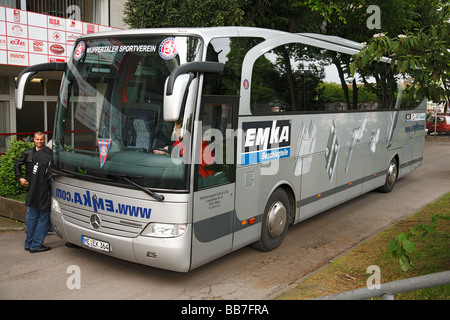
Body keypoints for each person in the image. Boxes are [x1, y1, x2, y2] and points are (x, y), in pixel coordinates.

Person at [14, 131, 53, 253]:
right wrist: (20, 177)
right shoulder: (31, 153)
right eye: (37, 139)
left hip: (36, 190)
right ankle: (34, 244)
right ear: (34, 140)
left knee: (33, 217)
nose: (39, 141)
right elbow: (17, 164)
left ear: (44, 139)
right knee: (39, 217)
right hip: (38, 189)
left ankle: (30, 243)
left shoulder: (47, 152)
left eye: (41, 139)